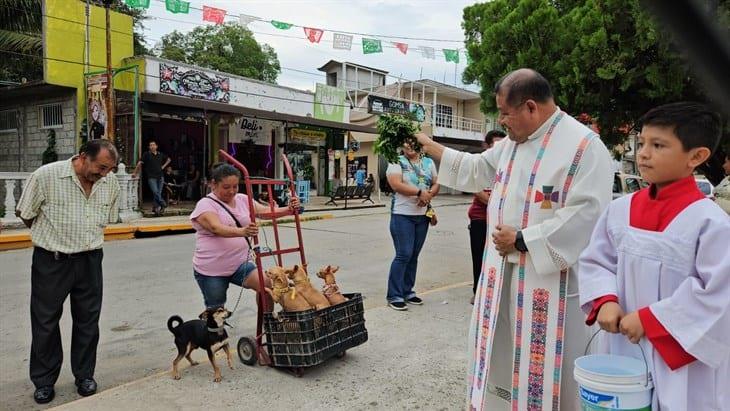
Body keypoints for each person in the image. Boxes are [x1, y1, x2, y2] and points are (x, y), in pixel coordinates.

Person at [416, 68, 613, 410]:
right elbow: (476, 168)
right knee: (501, 356)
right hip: (501, 280)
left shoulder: (584, 147)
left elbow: (588, 214)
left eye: (505, 113)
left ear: (531, 107)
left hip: (548, 284)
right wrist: (430, 146)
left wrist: (523, 239)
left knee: (548, 373)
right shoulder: (511, 145)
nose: (501, 121)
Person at [579, 102, 729, 409]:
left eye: (658, 145)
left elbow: (719, 294)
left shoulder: (709, 222)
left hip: (678, 353)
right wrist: (605, 300)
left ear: (697, 156)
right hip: (622, 341)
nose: (643, 153)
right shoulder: (619, 209)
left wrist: (650, 320)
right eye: (641, 143)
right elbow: (597, 260)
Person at [15, 140, 120, 404]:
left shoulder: (110, 183)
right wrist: (52, 237)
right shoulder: (46, 176)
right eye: (101, 168)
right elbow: (26, 213)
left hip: (91, 260)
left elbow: (106, 219)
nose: (104, 174)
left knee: (88, 321)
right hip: (52, 260)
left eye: (109, 169)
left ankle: (84, 375)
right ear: (83, 157)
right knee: (45, 322)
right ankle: (44, 380)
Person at [190, 163, 300, 311]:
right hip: (212, 269)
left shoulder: (242, 199)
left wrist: (288, 209)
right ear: (213, 184)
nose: (231, 191)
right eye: (226, 187)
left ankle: (267, 321)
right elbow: (215, 227)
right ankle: (216, 333)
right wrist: (242, 231)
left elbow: (265, 212)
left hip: (240, 264)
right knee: (216, 309)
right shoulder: (205, 204)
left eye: (235, 186)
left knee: (266, 285)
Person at [385, 141, 440, 311]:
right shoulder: (396, 160)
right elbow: (396, 184)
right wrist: (419, 193)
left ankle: (407, 291)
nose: (408, 146)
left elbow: (437, 182)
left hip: (422, 216)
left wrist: (428, 195)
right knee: (404, 254)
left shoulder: (428, 162)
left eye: (412, 143)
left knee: (414, 255)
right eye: (405, 143)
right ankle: (394, 295)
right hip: (402, 215)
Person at [467, 130, 506, 305]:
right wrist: (498, 204)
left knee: (498, 257)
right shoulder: (481, 162)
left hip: (500, 220)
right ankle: (478, 291)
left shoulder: (508, 163)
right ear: (487, 145)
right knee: (479, 256)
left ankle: (495, 291)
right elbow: (477, 190)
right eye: (495, 144)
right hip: (480, 219)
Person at [132, 140, 170, 216]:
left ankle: (156, 209)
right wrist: (135, 172)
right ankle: (163, 203)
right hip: (151, 177)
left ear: (156, 146)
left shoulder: (160, 154)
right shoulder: (146, 154)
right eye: (150, 145)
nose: (152, 146)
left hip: (160, 176)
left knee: (158, 193)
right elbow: (140, 163)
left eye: (153, 145)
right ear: (149, 147)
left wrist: (163, 166)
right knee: (155, 192)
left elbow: (169, 159)